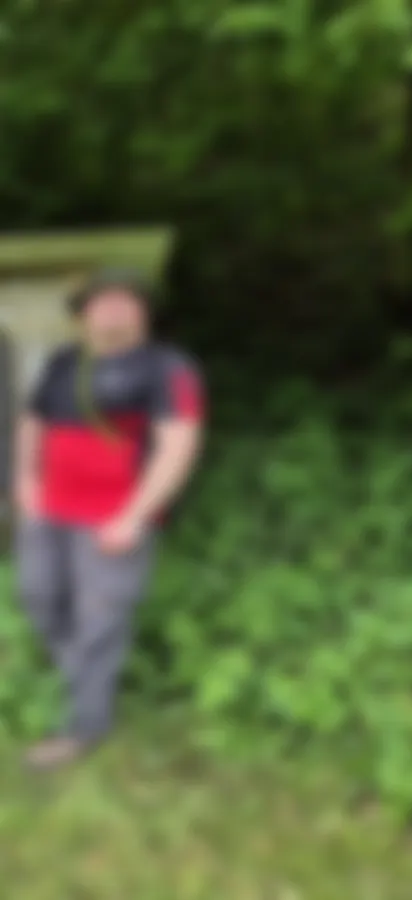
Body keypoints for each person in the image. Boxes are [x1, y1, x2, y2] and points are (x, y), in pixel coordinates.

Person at [12, 268, 205, 769]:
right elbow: (31, 422)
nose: (115, 307)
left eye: (127, 299)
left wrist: (135, 517)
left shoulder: (168, 367)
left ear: (144, 312)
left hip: (113, 519)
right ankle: (83, 677)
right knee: (37, 594)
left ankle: (85, 727)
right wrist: (25, 481)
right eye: (102, 300)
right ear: (84, 314)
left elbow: (178, 445)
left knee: (100, 618)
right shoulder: (62, 362)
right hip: (49, 510)